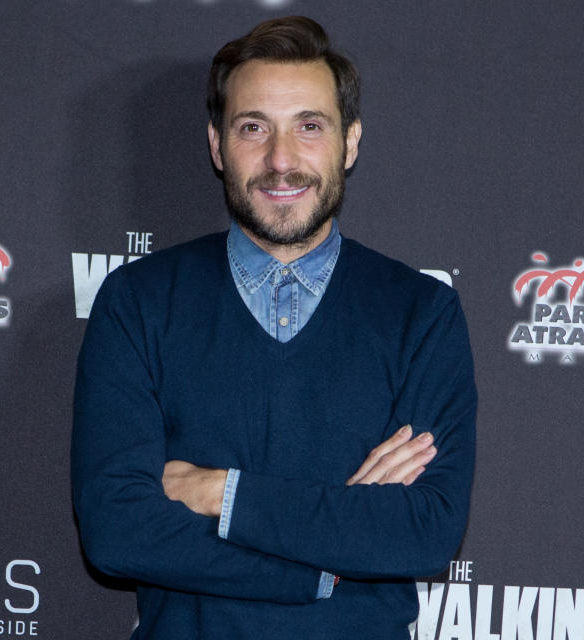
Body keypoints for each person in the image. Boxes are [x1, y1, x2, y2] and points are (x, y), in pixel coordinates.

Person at [72, 16, 476, 639]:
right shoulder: (139, 301)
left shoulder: (421, 313)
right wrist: (322, 565)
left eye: (309, 127)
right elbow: (118, 529)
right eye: (253, 127)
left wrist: (218, 491)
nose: (280, 160)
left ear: (351, 143)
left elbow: (421, 533)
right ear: (216, 146)